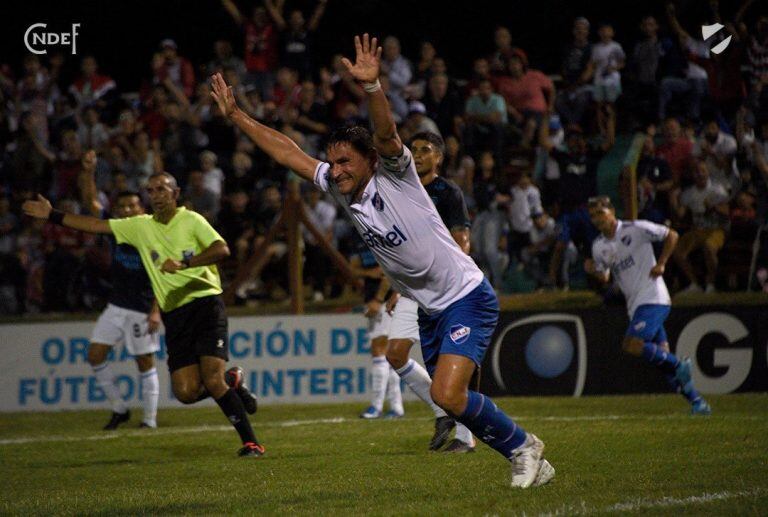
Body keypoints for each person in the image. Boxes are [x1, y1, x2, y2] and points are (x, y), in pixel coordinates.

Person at [210, 34, 553, 487]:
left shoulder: (398, 173)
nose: (337, 170)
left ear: (370, 160)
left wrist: (373, 88)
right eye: (332, 163)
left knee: (447, 392)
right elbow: (288, 151)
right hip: (429, 306)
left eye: (346, 161)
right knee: (449, 399)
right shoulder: (339, 185)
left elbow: (387, 134)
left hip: (465, 294)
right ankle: (526, 453)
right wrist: (238, 117)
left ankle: (524, 448)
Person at [23, 173, 264, 457]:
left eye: (162, 189)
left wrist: (186, 263)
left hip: (205, 304)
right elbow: (96, 225)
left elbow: (221, 249)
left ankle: (251, 443)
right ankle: (233, 381)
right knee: (186, 393)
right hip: (174, 313)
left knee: (212, 379)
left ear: (176, 193)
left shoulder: (191, 220)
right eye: (151, 190)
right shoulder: (140, 226)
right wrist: (52, 215)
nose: (156, 194)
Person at [384, 132, 475, 453]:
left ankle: (466, 438)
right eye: (415, 150)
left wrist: (455, 277)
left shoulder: (447, 192)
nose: (419, 155)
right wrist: (398, 287)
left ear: (439, 158)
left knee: (449, 364)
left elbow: (462, 238)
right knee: (394, 353)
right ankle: (441, 414)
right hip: (413, 286)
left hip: (445, 286)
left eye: (426, 150)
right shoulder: (401, 191)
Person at [585, 196, 711, 415]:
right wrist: (593, 271)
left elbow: (671, 235)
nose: (597, 219)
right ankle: (698, 403)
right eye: (593, 215)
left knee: (632, 344)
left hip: (653, 297)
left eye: (600, 213)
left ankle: (679, 364)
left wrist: (661, 263)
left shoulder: (635, 229)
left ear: (612, 211)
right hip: (635, 305)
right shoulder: (599, 247)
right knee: (661, 360)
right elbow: (605, 277)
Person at [76, 150, 161, 429]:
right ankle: (119, 408)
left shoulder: (152, 232)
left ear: (142, 209)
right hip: (117, 305)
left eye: (132, 206)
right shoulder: (115, 230)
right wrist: (88, 172)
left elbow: (165, 276)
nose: (127, 211)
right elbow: (91, 203)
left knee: (144, 361)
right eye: (122, 207)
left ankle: (149, 420)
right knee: (95, 355)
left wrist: (155, 311)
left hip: (142, 307)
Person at [350, 235, 403, 420]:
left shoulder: (379, 236)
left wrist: (379, 299)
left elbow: (388, 271)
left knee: (379, 350)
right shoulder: (356, 239)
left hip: (386, 300)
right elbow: (353, 269)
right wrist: (369, 272)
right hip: (376, 299)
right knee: (387, 354)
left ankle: (377, 406)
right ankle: (396, 407)